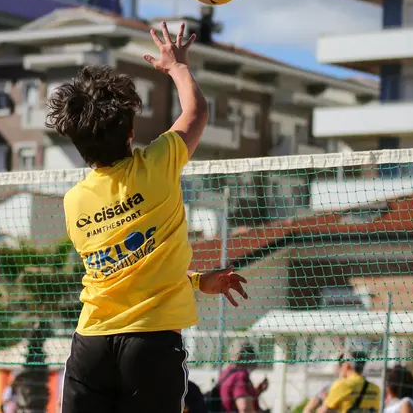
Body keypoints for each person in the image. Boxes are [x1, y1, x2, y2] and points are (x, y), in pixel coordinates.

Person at [52, 21, 249, 413]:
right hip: (152, 344)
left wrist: (195, 280)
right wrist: (175, 66)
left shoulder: (74, 202)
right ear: (130, 133)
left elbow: (122, 270)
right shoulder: (158, 165)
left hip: (90, 343)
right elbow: (196, 111)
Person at [219, 340, 269, 413]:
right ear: (241, 355)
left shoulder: (226, 372)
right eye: (251, 352)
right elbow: (244, 407)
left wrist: (258, 391)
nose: (255, 356)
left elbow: (238, 396)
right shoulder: (240, 376)